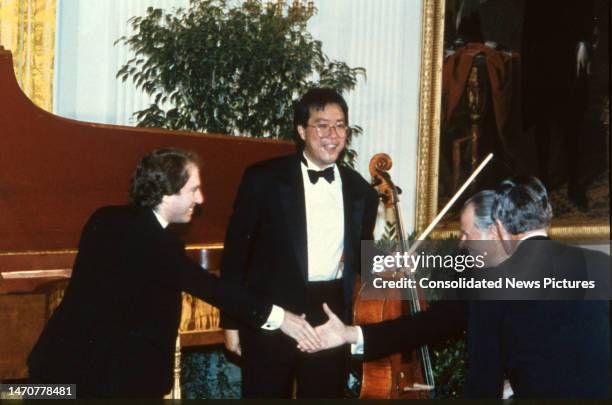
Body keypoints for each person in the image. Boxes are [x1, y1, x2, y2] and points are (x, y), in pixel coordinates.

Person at [27, 148, 321, 398]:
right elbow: (214, 290)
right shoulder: (159, 244)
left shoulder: (103, 218)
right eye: (194, 189)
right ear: (167, 193)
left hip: (53, 372)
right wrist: (282, 318)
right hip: (105, 384)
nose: (201, 199)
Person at [310, 176, 610, 399]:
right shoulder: (601, 265)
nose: (463, 244)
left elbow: (483, 385)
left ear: (496, 229)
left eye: (467, 233)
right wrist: (351, 334)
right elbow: (427, 325)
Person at [219, 88, 379, 398]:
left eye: (340, 125)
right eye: (322, 125)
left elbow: (364, 260)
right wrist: (231, 322)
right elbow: (236, 257)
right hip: (271, 314)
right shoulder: (263, 179)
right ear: (301, 130)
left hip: (329, 318)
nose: (332, 134)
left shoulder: (362, 191)